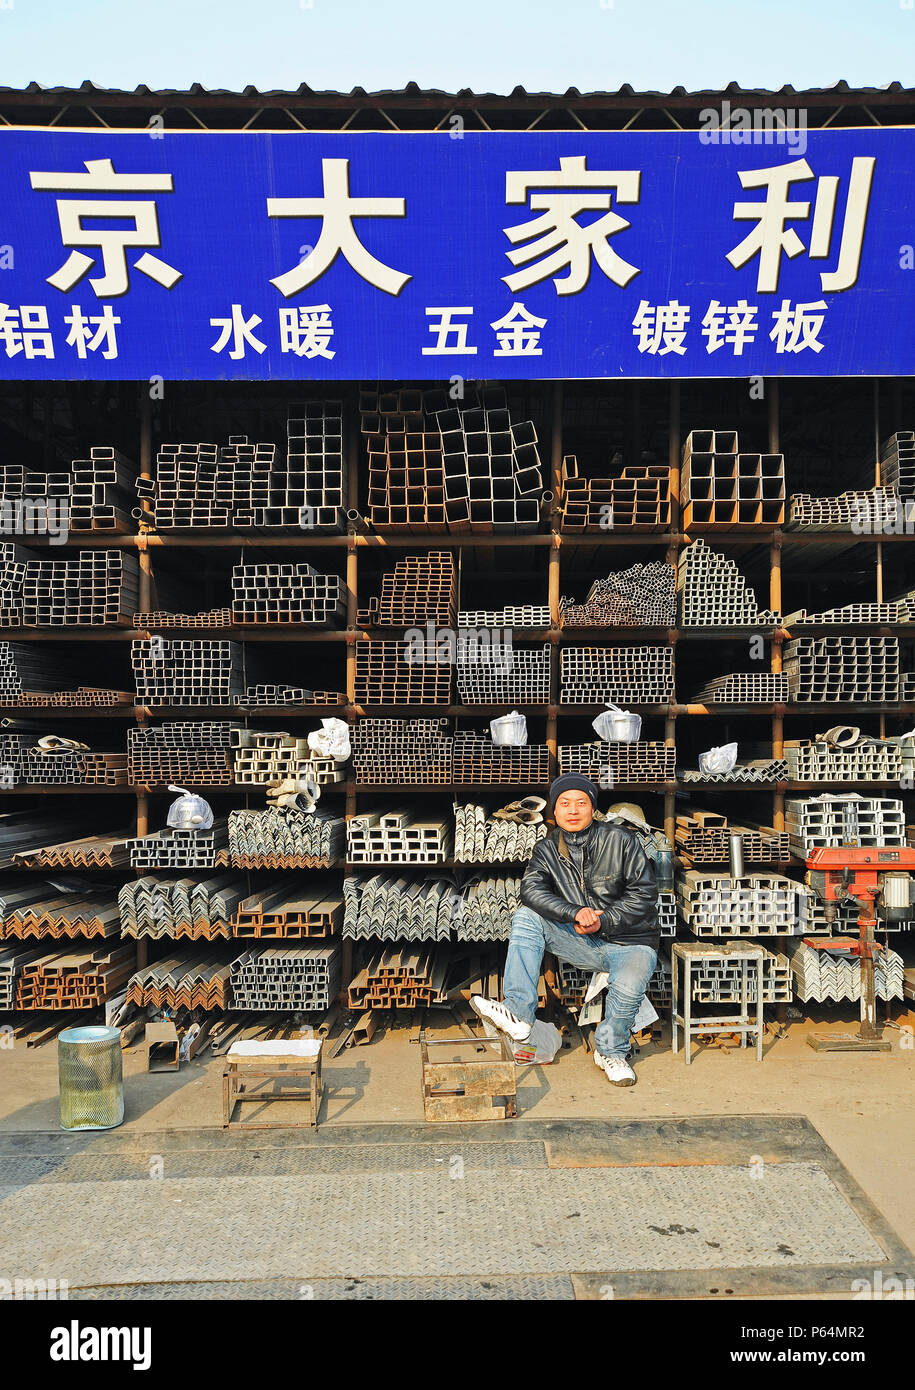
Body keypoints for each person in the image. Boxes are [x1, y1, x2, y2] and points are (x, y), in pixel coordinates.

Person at [470, 773, 659, 1086]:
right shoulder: (546, 850)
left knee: (629, 985)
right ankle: (518, 1013)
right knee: (527, 917)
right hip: (581, 939)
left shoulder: (621, 841)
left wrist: (606, 919)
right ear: (554, 812)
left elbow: (644, 892)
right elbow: (531, 890)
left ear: (593, 808)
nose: (573, 810)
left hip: (630, 941)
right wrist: (575, 913)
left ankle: (611, 1051)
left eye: (581, 803)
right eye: (565, 804)